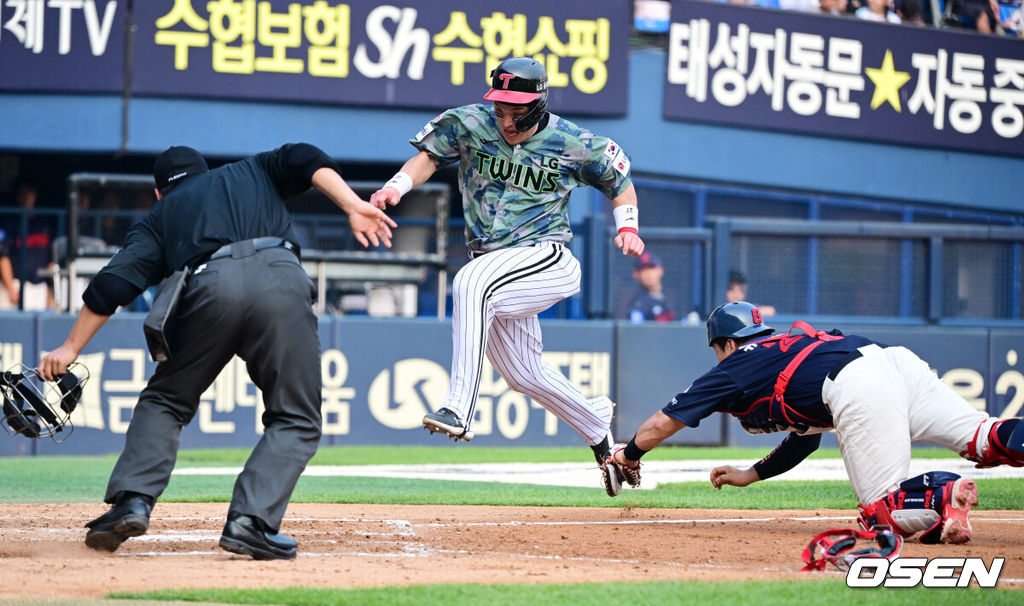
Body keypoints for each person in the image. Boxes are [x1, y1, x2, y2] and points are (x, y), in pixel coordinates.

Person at [38, 143, 396, 560]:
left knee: (166, 400)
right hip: (280, 279)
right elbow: (304, 157)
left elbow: (110, 289)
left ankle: (132, 501)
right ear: (206, 172)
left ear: (158, 193)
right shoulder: (252, 170)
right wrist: (352, 205)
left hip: (208, 290)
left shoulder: (159, 216)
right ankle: (250, 522)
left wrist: (68, 347)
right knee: (295, 416)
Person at [369, 57, 645, 483]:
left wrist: (628, 228)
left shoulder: (574, 141)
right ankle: (597, 425)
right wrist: (396, 186)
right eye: (500, 110)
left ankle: (459, 408)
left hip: (546, 256)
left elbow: (619, 182)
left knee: (470, 282)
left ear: (538, 105)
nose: (506, 120)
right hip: (494, 264)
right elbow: (428, 156)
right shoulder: (468, 123)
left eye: (516, 112)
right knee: (523, 373)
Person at [606, 301, 1024, 544]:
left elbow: (664, 421)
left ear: (729, 344)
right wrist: (749, 475)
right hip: (894, 361)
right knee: (983, 437)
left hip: (857, 382)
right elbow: (805, 439)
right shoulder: (784, 349)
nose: (719, 356)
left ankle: (943, 494)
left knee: (879, 513)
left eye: (718, 348)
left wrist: (629, 452)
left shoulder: (736, 365)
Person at [0, 179, 55, 310]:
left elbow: (51, 261)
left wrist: (48, 291)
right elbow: (3, 257)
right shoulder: (9, 223)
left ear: (35, 195)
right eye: (22, 193)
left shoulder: (44, 223)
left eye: (29, 193)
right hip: (16, 284)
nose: (26, 197)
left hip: (39, 286)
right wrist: (11, 290)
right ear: (17, 196)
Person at [623, 250, 676, 324]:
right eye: (643, 269)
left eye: (651, 268)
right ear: (636, 274)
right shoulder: (637, 303)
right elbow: (636, 330)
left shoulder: (668, 298)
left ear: (661, 270)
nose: (648, 273)